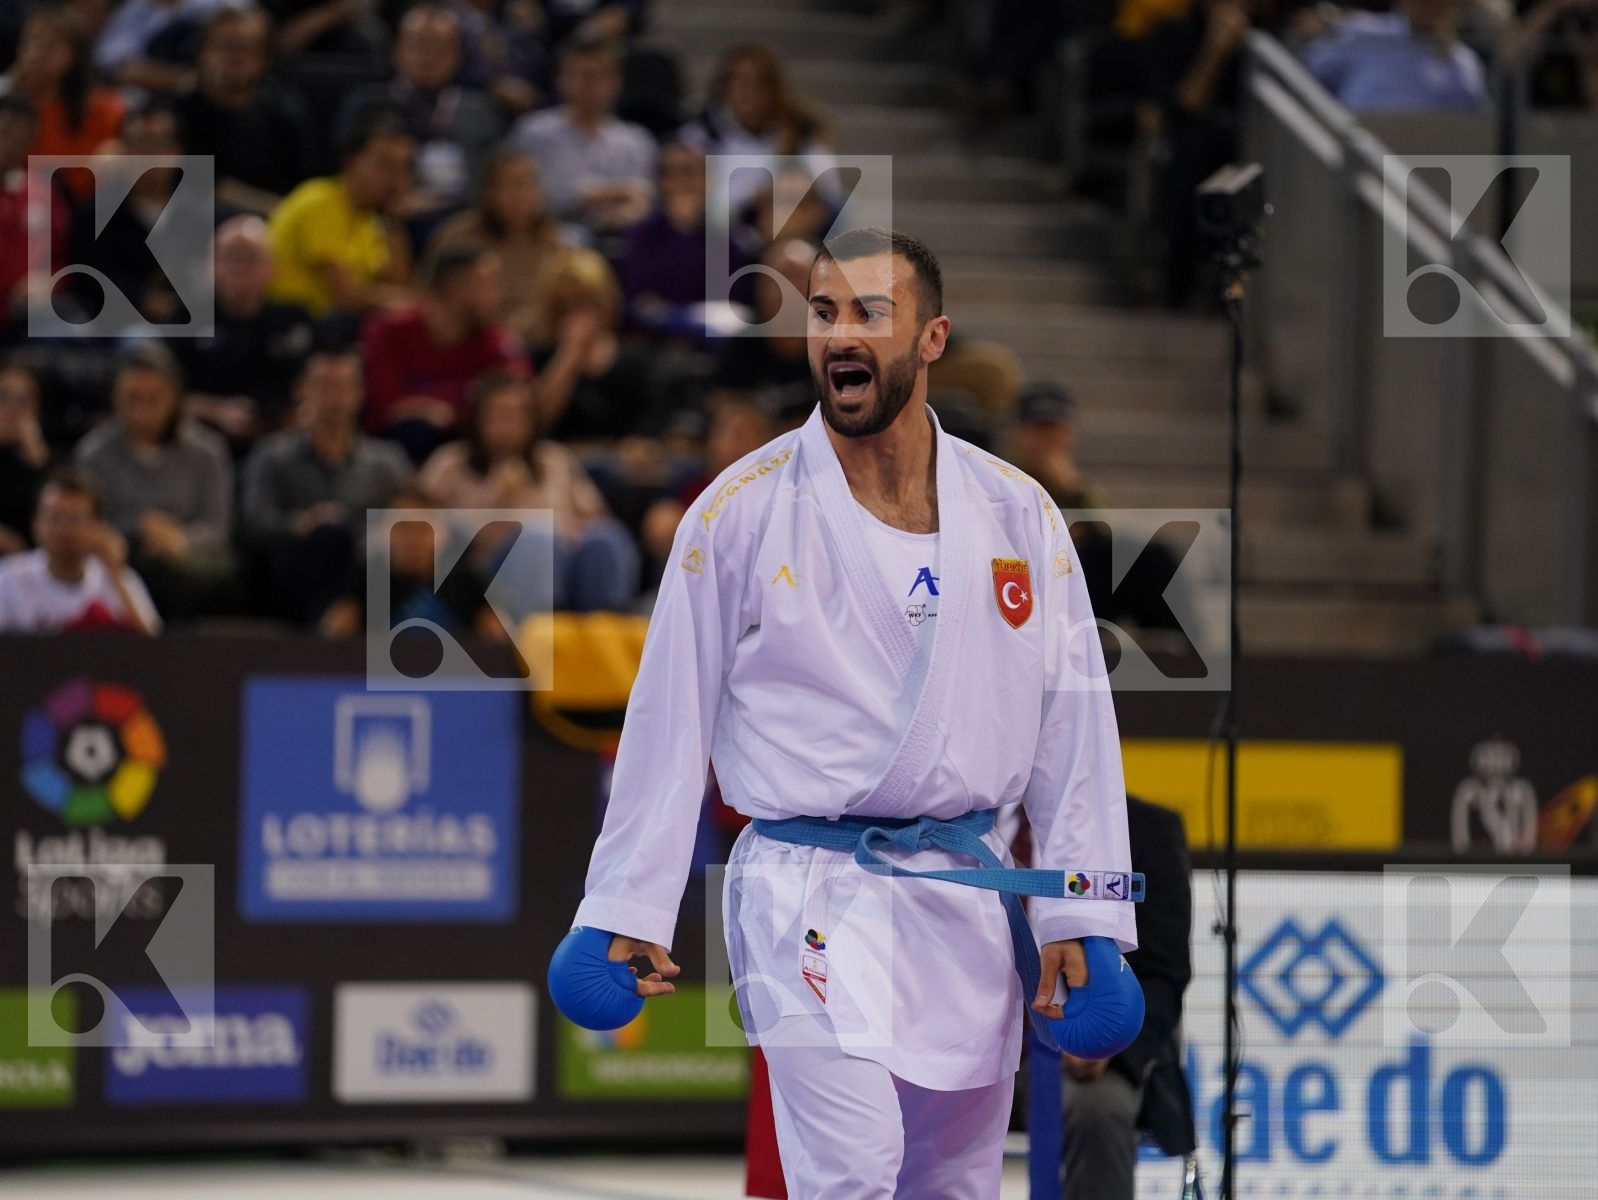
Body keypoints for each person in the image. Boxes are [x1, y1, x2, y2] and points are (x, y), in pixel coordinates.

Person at [552, 227, 1138, 1198]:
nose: (838, 337)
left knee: (951, 1185)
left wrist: (1081, 910)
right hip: (804, 888)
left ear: (932, 338)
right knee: (852, 1171)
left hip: (963, 890)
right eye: (822, 314)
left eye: (869, 313)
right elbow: (667, 721)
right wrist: (622, 906)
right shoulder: (737, 511)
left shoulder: (1016, 513)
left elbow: (1072, 728)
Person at [1060, 795, 1195, 1199]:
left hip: (1088, 1047)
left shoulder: (1145, 830)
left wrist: (1107, 1042)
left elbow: (1162, 976)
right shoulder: (961, 817)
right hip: (977, 1033)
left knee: (1098, 1108)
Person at [418, 370, 639, 613]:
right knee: (537, 538)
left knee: (606, 538)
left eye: (519, 415)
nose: (511, 426)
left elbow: (596, 516)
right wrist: (495, 496)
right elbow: (421, 526)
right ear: (478, 420)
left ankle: (604, 636)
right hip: (484, 576)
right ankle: (539, 640)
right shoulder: (450, 464)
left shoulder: (554, 459)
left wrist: (566, 533)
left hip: (564, 562)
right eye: (501, 415)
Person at [241, 346, 411, 624]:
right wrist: (301, 523)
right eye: (323, 387)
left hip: (369, 581)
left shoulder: (387, 463)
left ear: (360, 394)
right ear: (301, 391)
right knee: (326, 538)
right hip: (295, 574)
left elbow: (410, 519)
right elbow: (254, 522)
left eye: (344, 388)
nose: (334, 399)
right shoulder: (271, 456)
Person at [73, 342, 234, 620]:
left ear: (175, 397)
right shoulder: (93, 454)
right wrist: (138, 529)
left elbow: (217, 527)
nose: (142, 413)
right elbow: (86, 523)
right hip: (121, 563)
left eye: (153, 400)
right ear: (114, 397)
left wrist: (180, 539)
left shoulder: (208, 452)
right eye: (131, 399)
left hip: (189, 566)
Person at [360, 239, 529, 462]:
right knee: (415, 429)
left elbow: (523, 397)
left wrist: (441, 408)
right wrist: (455, 405)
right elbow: (385, 407)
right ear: (457, 288)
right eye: (490, 284)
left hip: (474, 463)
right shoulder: (389, 331)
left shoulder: (493, 338)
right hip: (396, 458)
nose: (499, 295)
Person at [336, 3, 504, 214]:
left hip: (465, 225)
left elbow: (497, 180)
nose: (430, 55)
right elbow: (344, 179)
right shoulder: (366, 105)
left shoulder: (482, 110)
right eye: (420, 45)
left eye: (441, 47)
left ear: (458, 56)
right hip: (384, 218)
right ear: (396, 51)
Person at [176, 214, 318, 448]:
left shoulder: (295, 319)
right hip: (205, 440)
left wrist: (298, 413)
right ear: (211, 265)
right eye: (231, 257)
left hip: (286, 441)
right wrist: (216, 411)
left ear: (273, 266)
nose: (240, 267)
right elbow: (164, 393)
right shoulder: (186, 317)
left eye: (251, 258)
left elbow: (322, 380)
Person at [267, 103, 416, 319]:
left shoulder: (370, 220)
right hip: (293, 324)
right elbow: (349, 297)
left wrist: (395, 220)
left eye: (404, 168)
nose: (395, 178)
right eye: (384, 164)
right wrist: (418, 305)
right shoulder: (318, 200)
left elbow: (398, 285)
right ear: (351, 161)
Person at [424, 148, 581, 344]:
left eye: (529, 183)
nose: (522, 194)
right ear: (490, 192)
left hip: (540, 346)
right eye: (513, 184)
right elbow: (430, 300)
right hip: (472, 343)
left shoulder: (556, 242)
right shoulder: (459, 237)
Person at [172, 4, 317, 215]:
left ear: (264, 59)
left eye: (247, 47)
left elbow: (304, 193)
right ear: (202, 53)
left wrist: (233, 194)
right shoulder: (177, 114)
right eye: (224, 45)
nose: (235, 57)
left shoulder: (285, 113)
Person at [508, 36, 657, 231]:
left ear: (616, 82)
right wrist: (610, 193)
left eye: (599, 76)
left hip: (620, 237)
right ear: (561, 79)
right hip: (548, 237)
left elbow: (642, 198)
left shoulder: (636, 141)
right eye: (582, 75)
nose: (590, 85)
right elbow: (533, 197)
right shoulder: (533, 132)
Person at [317, 483, 501, 637]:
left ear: (442, 535)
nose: (413, 538)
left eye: (423, 529)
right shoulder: (365, 579)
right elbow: (332, 638)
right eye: (403, 527)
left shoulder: (467, 581)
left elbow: (499, 637)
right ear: (384, 532)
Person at [0, 466, 160, 634]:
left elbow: (153, 649)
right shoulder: (8, 579)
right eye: (54, 518)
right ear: (35, 523)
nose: (63, 529)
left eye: (75, 520)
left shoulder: (121, 579)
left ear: (97, 527)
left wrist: (115, 577)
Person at [678, 43, 834, 213]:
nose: (748, 91)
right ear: (724, 87)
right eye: (739, 81)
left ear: (774, 88)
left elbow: (826, 186)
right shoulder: (699, 134)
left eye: (759, 82)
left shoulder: (800, 135)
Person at [525, 247, 659, 440]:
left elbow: (649, 422)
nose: (575, 316)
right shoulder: (539, 358)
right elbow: (535, 422)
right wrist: (569, 355)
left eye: (583, 303)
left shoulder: (636, 359)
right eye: (564, 307)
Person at [0, 7, 125, 193]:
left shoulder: (103, 108)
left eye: (49, 45)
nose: (35, 53)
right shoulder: (9, 101)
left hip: (86, 206)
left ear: (75, 56)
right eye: (29, 43)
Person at [1301, 0, 1487, 110]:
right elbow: (1305, 75)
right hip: (1356, 154)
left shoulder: (1462, 61)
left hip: (1426, 162)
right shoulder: (1362, 33)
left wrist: (1445, 48)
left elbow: (1467, 123)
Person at [0, 94, 69, 346]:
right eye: (4, 131)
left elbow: (62, 258)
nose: (10, 143)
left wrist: (49, 282)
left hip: (27, 316)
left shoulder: (44, 191)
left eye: (21, 135)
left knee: (68, 333)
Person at [714, 236, 817, 394]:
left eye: (796, 277)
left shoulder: (839, 351)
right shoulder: (741, 348)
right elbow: (725, 403)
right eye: (776, 279)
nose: (788, 290)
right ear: (760, 289)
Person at [0, 359, 51, 556]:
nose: (12, 409)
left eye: (23, 401)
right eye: (3, 397)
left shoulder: (47, 460)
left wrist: (37, 461)